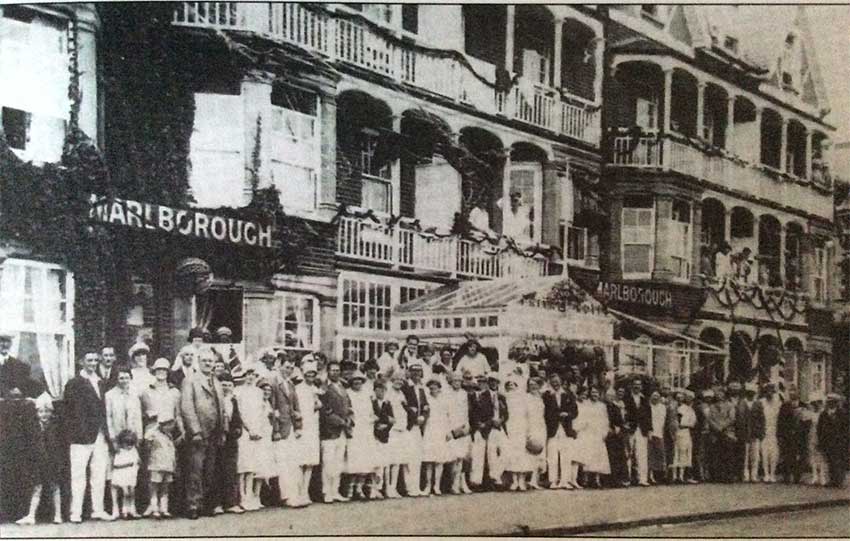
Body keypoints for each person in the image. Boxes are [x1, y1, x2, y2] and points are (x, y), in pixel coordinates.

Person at [180, 347, 227, 519]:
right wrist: (195, 430)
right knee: (195, 470)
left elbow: (222, 408)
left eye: (211, 361)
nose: (208, 364)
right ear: (199, 362)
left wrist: (223, 430)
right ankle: (193, 505)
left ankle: (207, 504)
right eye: (205, 361)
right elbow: (187, 407)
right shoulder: (190, 380)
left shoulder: (217, 382)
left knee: (210, 470)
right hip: (199, 433)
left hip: (215, 432)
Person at [64, 352, 111, 523]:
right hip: (80, 437)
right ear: (81, 362)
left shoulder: (101, 382)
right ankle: (75, 512)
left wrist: (105, 432)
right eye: (89, 360)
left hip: (100, 435)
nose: (93, 363)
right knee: (78, 475)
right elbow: (70, 412)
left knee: (99, 473)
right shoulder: (74, 383)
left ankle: (97, 510)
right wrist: (79, 433)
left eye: (95, 360)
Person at [140, 358, 183, 518]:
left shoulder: (175, 392)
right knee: (153, 471)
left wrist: (182, 431)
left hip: (169, 434)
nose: (161, 373)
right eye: (158, 370)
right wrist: (149, 417)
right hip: (152, 433)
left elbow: (178, 414)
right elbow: (142, 412)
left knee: (166, 470)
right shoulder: (146, 392)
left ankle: (164, 505)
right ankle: (153, 505)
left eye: (164, 370)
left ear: (168, 372)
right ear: (154, 371)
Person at [16, 396, 63, 525]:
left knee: (55, 487)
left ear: (51, 413)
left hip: (53, 460)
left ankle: (58, 515)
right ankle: (31, 515)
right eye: (41, 412)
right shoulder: (33, 426)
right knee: (37, 487)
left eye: (47, 411)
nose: (44, 414)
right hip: (39, 461)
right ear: (37, 413)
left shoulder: (56, 426)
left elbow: (58, 444)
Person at [105, 367, 144, 519]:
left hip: (131, 441)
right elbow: (108, 417)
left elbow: (138, 417)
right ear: (116, 379)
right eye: (121, 378)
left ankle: (130, 507)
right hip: (117, 440)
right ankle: (115, 508)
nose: (124, 380)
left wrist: (139, 438)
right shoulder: (109, 395)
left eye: (127, 377)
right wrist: (113, 439)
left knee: (131, 476)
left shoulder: (134, 395)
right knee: (115, 477)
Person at [319, 361, 353, 503]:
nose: (335, 373)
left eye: (337, 370)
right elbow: (325, 411)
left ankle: (335, 490)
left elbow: (349, 407)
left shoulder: (343, 388)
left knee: (338, 462)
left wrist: (350, 420)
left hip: (343, 432)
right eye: (333, 370)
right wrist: (340, 421)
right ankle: (327, 492)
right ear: (328, 372)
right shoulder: (324, 389)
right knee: (328, 463)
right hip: (330, 431)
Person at [271, 358, 302, 506]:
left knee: (292, 462)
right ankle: (286, 497)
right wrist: (275, 429)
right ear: (279, 366)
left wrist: (298, 427)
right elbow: (272, 408)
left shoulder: (291, 384)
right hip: (280, 430)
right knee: (282, 464)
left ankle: (294, 494)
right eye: (287, 367)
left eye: (291, 368)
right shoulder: (273, 383)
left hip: (291, 429)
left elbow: (296, 408)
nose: (289, 370)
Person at [291, 360, 322, 507]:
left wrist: (317, 404)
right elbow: (297, 409)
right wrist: (298, 426)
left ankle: (305, 491)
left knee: (310, 462)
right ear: (304, 375)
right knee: (300, 461)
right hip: (302, 427)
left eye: (313, 374)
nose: (310, 376)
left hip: (313, 428)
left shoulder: (315, 389)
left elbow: (316, 408)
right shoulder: (298, 389)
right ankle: (297, 492)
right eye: (308, 374)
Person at [470, 373, 508, 490]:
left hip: (498, 427)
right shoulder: (482, 395)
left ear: (498, 383)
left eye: (495, 381)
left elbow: (506, 413)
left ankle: (495, 474)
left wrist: (501, 420)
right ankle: (477, 482)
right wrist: (485, 423)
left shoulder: (501, 396)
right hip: (487, 427)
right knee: (483, 454)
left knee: (507, 450)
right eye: (491, 381)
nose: (493, 383)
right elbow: (477, 412)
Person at [235, 366, 264, 511]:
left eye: (253, 374)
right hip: (244, 433)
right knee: (243, 466)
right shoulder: (238, 391)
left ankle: (251, 496)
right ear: (244, 376)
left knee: (253, 466)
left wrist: (257, 430)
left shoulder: (259, 392)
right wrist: (249, 429)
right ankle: (242, 497)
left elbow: (260, 413)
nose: (250, 377)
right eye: (248, 374)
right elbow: (239, 413)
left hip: (256, 432)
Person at [344, 372, 377, 499]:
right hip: (354, 430)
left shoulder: (366, 394)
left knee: (365, 460)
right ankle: (350, 489)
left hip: (366, 430)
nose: (357, 384)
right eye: (355, 382)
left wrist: (372, 419)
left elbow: (370, 412)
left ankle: (359, 488)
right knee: (354, 460)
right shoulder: (348, 394)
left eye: (359, 382)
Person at [542, 373, 577, 490]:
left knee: (565, 455)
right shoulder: (546, 395)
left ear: (561, 381)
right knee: (552, 456)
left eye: (557, 381)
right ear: (550, 383)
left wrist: (567, 414)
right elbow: (545, 413)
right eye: (553, 382)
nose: (555, 384)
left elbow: (575, 411)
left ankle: (565, 481)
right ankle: (553, 481)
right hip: (552, 429)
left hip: (566, 428)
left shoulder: (568, 394)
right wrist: (556, 416)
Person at [215, 373, 244, 515]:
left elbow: (237, 418)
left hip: (231, 440)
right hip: (218, 440)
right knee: (217, 471)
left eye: (229, 385)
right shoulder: (215, 399)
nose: (226, 387)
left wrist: (237, 431)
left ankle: (231, 503)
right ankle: (217, 503)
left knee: (231, 472)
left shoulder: (233, 401)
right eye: (223, 384)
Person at [422, 378, 452, 496]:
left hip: (441, 431)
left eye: (435, 387)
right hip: (429, 430)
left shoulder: (444, 400)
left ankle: (437, 486)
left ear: (439, 388)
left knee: (439, 460)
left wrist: (448, 431)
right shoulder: (426, 399)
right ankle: (428, 486)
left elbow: (448, 417)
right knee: (429, 460)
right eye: (431, 388)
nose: (433, 390)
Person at [446, 372, 473, 495]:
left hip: (463, 427)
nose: (457, 383)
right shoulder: (446, 394)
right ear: (450, 381)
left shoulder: (463, 394)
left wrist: (467, 425)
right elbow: (445, 413)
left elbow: (465, 411)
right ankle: (453, 484)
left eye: (459, 381)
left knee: (462, 458)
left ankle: (461, 483)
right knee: (454, 458)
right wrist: (449, 430)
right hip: (451, 427)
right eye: (454, 380)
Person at [384, 371, 409, 498]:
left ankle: (393, 488)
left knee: (398, 460)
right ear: (392, 380)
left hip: (401, 429)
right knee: (389, 460)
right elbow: (384, 409)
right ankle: (387, 488)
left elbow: (405, 410)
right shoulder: (387, 392)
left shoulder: (402, 394)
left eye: (401, 380)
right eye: (397, 379)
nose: (399, 382)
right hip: (391, 430)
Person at [252, 379, 277, 508]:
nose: (267, 392)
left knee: (265, 467)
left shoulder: (268, 403)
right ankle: (254, 496)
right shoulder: (258, 404)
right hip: (260, 437)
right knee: (257, 467)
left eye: (269, 390)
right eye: (264, 390)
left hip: (267, 437)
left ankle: (259, 496)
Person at [580, 387, 611, 488]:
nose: (594, 394)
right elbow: (582, 418)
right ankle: (585, 479)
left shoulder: (602, 406)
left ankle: (597, 480)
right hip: (588, 432)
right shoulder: (586, 404)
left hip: (598, 433)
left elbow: (605, 420)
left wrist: (604, 433)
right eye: (592, 392)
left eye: (596, 392)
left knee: (599, 455)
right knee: (587, 455)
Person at [503, 379, 531, 491]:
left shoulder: (523, 399)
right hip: (511, 428)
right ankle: (514, 481)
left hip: (521, 427)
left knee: (522, 454)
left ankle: (522, 481)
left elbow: (527, 415)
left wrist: (528, 430)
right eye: (509, 385)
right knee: (512, 454)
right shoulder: (505, 398)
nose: (511, 386)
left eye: (513, 384)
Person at [624, 378, 652, 487]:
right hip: (631, 429)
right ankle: (628, 478)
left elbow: (649, 416)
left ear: (641, 387)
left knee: (642, 454)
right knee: (628, 454)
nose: (637, 386)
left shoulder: (645, 399)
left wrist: (650, 429)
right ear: (631, 386)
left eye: (639, 384)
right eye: (635, 384)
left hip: (642, 430)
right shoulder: (627, 399)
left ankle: (643, 479)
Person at [817, 393, 849, 487]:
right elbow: (820, 428)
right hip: (828, 441)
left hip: (839, 442)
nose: (830, 403)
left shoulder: (843, 413)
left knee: (839, 461)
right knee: (830, 461)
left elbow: (846, 428)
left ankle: (839, 481)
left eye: (832, 402)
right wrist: (821, 440)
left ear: (836, 403)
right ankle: (832, 480)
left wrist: (846, 440)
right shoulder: (823, 414)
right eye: (828, 402)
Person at [735, 382, 765, 482]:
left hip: (755, 432)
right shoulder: (741, 403)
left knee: (755, 455)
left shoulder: (758, 404)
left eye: (752, 392)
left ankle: (754, 475)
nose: (751, 394)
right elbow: (738, 419)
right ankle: (745, 475)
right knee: (744, 455)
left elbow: (762, 419)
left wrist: (761, 431)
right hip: (744, 433)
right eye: (749, 392)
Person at [777, 387, 807, 484]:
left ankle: (797, 477)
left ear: (798, 394)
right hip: (788, 436)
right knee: (788, 456)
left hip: (800, 436)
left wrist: (803, 432)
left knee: (800, 456)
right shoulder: (784, 406)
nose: (793, 395)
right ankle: (787, 477)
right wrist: (781, 435)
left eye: (795, 393)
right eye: (791, 394)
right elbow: (780, 421)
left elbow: (807, 422)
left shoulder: (804, 405)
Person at [707, 387, 736, 483]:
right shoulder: (712, 407)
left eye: (721, 393)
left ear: (724, 394)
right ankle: (717, 476)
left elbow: (731, 418)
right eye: (717, 394)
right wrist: (717, 428)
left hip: (727, 432)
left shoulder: (730, 406)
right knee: (716, 455)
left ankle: (729, 476)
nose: (719, 395)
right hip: (715, 433)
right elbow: (710, 419)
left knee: (728, 455)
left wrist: (722, 426)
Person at [371, 380, 394, 500]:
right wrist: (377, 425)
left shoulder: (387, 404)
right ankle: (372, 489)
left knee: (383, 464)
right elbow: (371, 417)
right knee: (375, 464)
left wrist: (386, 425)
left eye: (383, 390)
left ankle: (380, 488)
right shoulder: (371, 403)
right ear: (374, 391)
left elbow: (392, 420)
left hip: (384, 436)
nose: (381, 392)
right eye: (378, 390)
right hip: (373, 436)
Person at [110, 429, 141, 520]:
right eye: (126, 443)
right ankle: (121, 511)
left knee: (131, 492)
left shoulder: (134, 450)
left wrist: (136, 464)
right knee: (125, 492)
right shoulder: (119, 452)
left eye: (131, 444)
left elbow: (137, 462)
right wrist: (129, 464)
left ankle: (130, 510)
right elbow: (116, 465)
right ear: (121, 443)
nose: (129, 446)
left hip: (131, 474)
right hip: (120, 475)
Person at [0, 331, 39, 398]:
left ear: (11, 344)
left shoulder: (19, 364)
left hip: (13, 403)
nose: (5, 344)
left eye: (8, 341)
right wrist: (7, 392)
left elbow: (26, 383)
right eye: (1, 341)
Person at [604, 387, 629, 488]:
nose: (610, 397)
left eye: (611, 396)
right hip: (609, 433)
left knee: (619, 457)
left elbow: (619, 420)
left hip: (617, 434)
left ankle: (619, 479)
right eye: (608, 396)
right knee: (611, 457)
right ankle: (611, 480)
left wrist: (620, 427)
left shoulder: (616, 407)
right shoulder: (604, 407)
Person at [525, 377, 547, 490]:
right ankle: (526, 480)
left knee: (540, 454)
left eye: (535, 384)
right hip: (530, 426)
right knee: (530, 452)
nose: (533, 386)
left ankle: (535, 480)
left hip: (541, 426)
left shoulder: (540, 398)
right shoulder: (526, 398)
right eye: (531, 384)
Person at [673, 390, 698, 483]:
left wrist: (684, 425)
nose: (679, 399)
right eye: (677, 398)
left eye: (681, 397)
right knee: (675, 454)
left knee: (684, 453)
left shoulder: (688, 409)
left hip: (685, 432)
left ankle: (683, 476)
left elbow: (693, 422)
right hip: (674, 433)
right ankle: (674, 476)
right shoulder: (672, 408)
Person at [760, 383, 781, 483]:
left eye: (771, 391)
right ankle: (766, 474)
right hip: (764, 431)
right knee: (764, 453)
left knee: (774, 454)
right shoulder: (761, 403)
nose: (769, 393)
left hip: (774, 431)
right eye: (767, 391)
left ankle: (772, 474)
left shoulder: (778, 403)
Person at [805, 393, 827, 486]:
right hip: (812, 435)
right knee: (812, 456)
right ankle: (814, 476)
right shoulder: (811, 414)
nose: (816, 405)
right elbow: (807, 425)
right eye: (814, 403)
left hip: (821, 436)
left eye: (818, 402)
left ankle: (822, 476)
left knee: (821, 456)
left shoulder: (823, 413)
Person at [647, 391, 667, 484]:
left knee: (660, 455)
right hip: (650, 433)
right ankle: (650, 476)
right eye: (653, 396)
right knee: (650, 455)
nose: (655, 398)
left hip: (659, 433)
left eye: (657, 396)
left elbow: (663, 421)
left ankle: (659, 476)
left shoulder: (663, 407)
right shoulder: (648, 406)